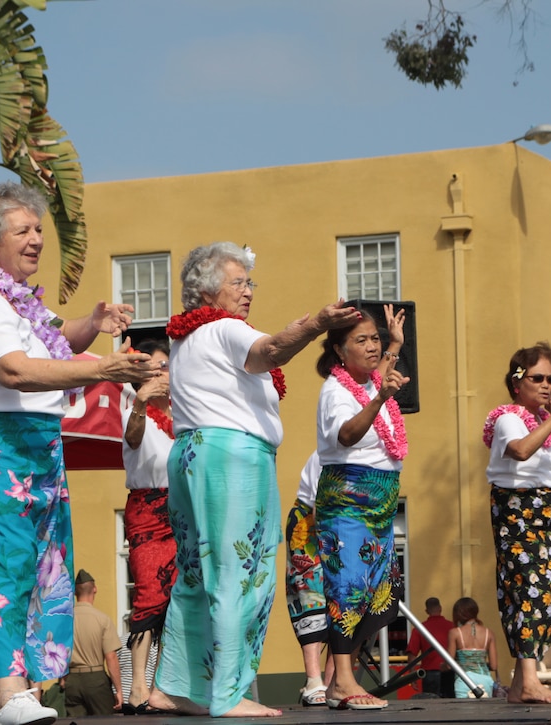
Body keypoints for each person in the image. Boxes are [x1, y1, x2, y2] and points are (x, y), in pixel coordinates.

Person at [0, 182, 156, 725]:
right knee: (3, 561)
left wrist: (95, 324)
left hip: (37, 444)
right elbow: (14, 369)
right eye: (24, 231)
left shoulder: (19, 299)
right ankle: (14, 692)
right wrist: (105, 369)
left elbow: (59, 343)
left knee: (37, 564)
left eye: (39, 229)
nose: (37, 239)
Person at [147, 241, 358, 718]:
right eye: (238, 283)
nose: (247, 292)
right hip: (231, 458)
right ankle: (225, 693)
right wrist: (316, 325)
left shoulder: (185, 341)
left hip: (191, 453)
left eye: (250, 283)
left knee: (196, 575)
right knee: (241, 574)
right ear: (206, 292)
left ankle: (175, 687)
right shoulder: (223, 328)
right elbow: (268, 350)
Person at [314, 305, 408, 711]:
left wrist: (396, 345)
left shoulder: (371, 381)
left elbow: (380, 373)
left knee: (382, 592)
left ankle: (343, 677)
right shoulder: (335, 391)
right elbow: (349, 434)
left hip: (383, 501)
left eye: (376, 339)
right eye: (362, 340)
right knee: (347, 589)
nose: (373, 347)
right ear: (339, 350)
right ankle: (342, 681)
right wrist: (382, 396)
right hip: (349, 500)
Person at [483, 341, 551, 705]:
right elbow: (521, 451)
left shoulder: (541, 421)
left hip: (548, 507)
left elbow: (550, 462)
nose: (547, 385)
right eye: (538, 378)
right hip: (520, 510)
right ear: (517, 382)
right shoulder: (509, 418)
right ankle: (528, 678)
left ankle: (520, 682)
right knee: (528, 589)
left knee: (550, 592)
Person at [120, 339, 176, 715]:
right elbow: (133, 438)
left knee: (177, 600)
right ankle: (137, 686)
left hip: (182, 511)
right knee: (149, 594)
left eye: (166, 367)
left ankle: (164, 686)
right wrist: (141, 400)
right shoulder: (133, 409)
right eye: (155, 366)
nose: (163, 373)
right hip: (147, 509)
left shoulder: (182, 416)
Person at [283, 451, 334, 707]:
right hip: (310, 521)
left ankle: (336, 682)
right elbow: (320, 506)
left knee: (346, 602)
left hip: (345, 523)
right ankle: (315, 680)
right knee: (309, 595)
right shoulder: (328, 452)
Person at [64, 571, 123, 716]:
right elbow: (111, 657)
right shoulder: (102, 619)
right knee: (104, 721)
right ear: (94, 589)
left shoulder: (64, 620)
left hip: (71, 679)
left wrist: (63, 679)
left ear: (75, 591)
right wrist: (119, 690)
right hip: (96, 678)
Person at [446, 597, 498, 699]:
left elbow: (449, 665)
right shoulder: (489, 633)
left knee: (464, 713)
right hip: (485, 679)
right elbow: (494, 666)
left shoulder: (455, 633)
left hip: (464, 679)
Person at [406, 597, 455, 698]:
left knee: (431, 706)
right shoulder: (452, 627)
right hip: (450, 672)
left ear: (427, 611)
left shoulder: (420, 629)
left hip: (429, 674)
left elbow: (412, 654)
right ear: (440, 608)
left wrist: (412, 676)